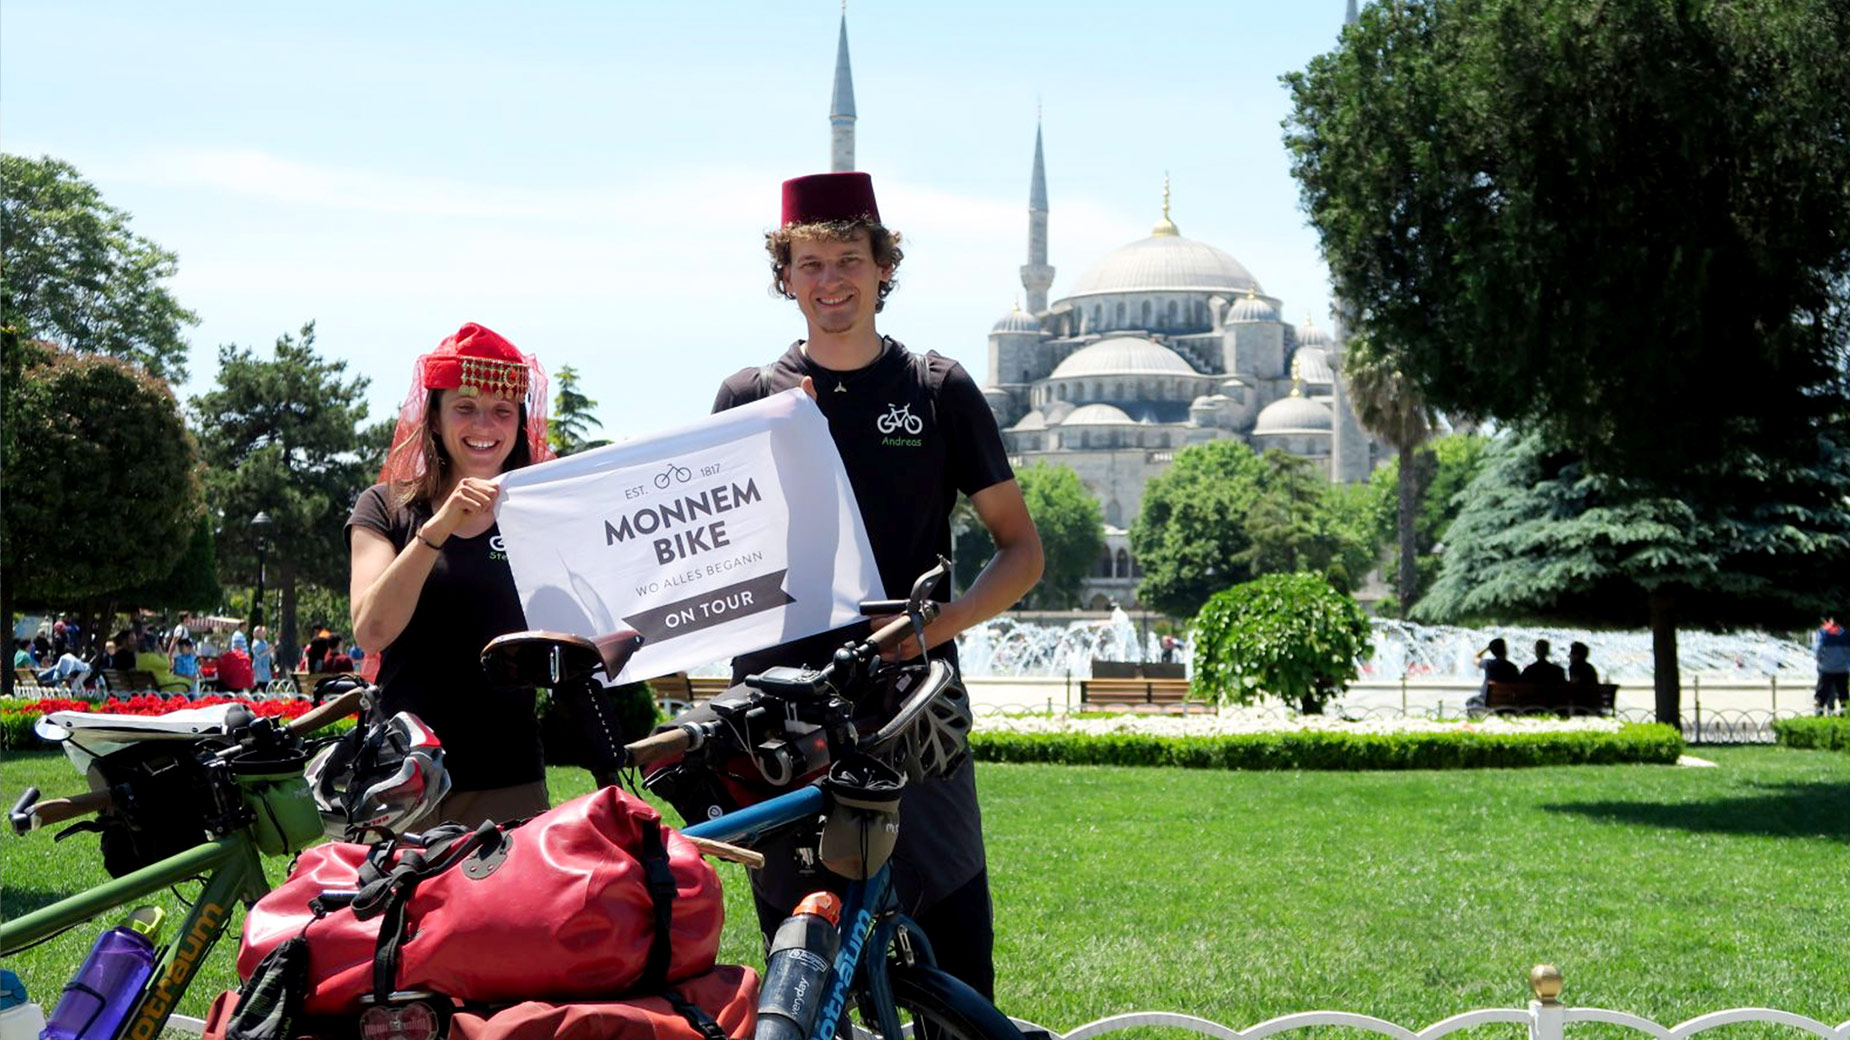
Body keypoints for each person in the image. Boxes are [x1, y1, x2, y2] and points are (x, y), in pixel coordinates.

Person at [708, 172, 1043, 999]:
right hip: (783, 717)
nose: (831, 281)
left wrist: (934, 629)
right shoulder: (749, 399)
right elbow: (707, 551)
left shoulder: (937, 390)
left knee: (953, 955)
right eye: (810, 261)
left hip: (911, 708)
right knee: (802, 962)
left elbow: (1021, 553)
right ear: (784, 274)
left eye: (849, 259)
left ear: (884, 266)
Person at [349, 322, 555, 828]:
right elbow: (371, 630)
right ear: (435, 421)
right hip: (408, 779)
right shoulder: (385, 509)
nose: (484, 425)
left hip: (510, 780)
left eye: (502, 410)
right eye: (464, 407)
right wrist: (439, 528)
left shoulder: (543, 513)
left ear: (519, 423)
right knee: (402, 909)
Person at [1815, 612, 1849, 715]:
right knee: (1843, 694)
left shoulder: (1823, 631)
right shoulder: (1846, 633)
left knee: (1822, 694)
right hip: (1842, 669)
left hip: (1826, 668)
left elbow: (1819, 649)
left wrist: (1820, 661)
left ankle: (1819, 713)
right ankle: (1844, 715)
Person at [1472, 638, 1519, 706]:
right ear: (1505, 650)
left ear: (1492, 651)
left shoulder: (1488, 664)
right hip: (1508, 702)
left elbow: (1475, 659)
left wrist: (1487, 648)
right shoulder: (1512, 667)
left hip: (1489, 701)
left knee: (1471, 701)